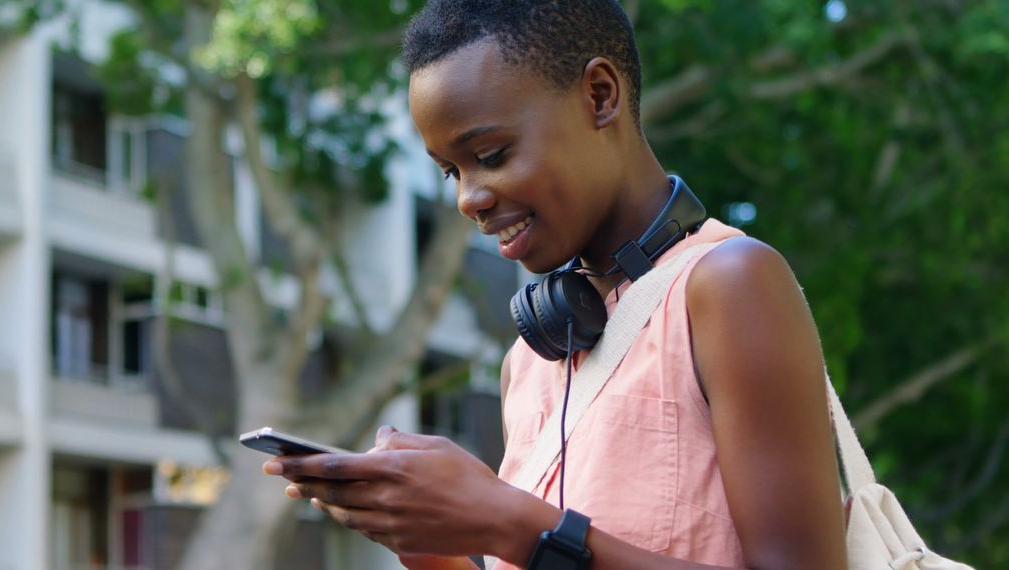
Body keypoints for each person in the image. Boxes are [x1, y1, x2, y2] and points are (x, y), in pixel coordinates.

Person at [262, 1, 848, 568]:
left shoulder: (728, 285)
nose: (469, 199)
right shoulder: (531, 359)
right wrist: (426, 541)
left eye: (490, 154)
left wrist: (508, 522)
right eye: (451, 171)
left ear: (599, 96)